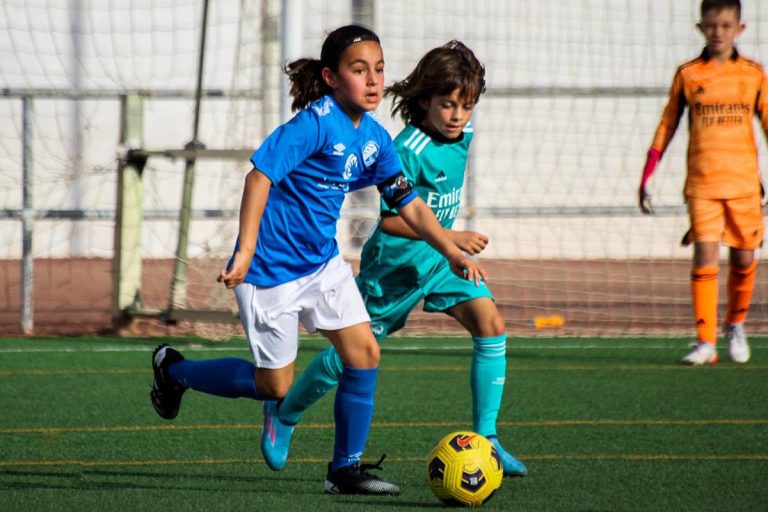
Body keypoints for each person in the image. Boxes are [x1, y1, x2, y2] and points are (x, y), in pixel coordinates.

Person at [148, 25, 487, 496]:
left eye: (379, 70)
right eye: (359, 70)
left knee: (365, 352)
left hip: (323, 265)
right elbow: (258, 178)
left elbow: (407, 202)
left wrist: (448, 247)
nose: (373, 80)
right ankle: (174, 371)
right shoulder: (314, 124)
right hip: (270, 271)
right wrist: (244, 252)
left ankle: (343, 470)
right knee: (273, 387)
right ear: (330, 77)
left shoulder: (374, 138)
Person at [259, 40, 528, 479]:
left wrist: (447, 247)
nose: (458, 115)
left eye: (467, 105)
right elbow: (390, 219)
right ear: (425, 101)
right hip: (395, 271)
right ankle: (285, 412)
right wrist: (453, 237)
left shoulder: (464, 135)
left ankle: (489, 438)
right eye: (448, 105)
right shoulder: (408, 147)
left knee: (491, 324)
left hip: (439, 264)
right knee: (353, 355)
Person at [639, 0, 767, 365]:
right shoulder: (688, 74)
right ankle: (705, 341)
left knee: (744, 258)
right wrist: (647, 173)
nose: (718, 32)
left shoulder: (753, 74)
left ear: (739, 29)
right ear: (701, 28)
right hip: (702, 184)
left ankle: (736, 324)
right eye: (712, 26)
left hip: (744, 184)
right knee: (705, 255)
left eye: (726, 26)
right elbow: (668, 124)